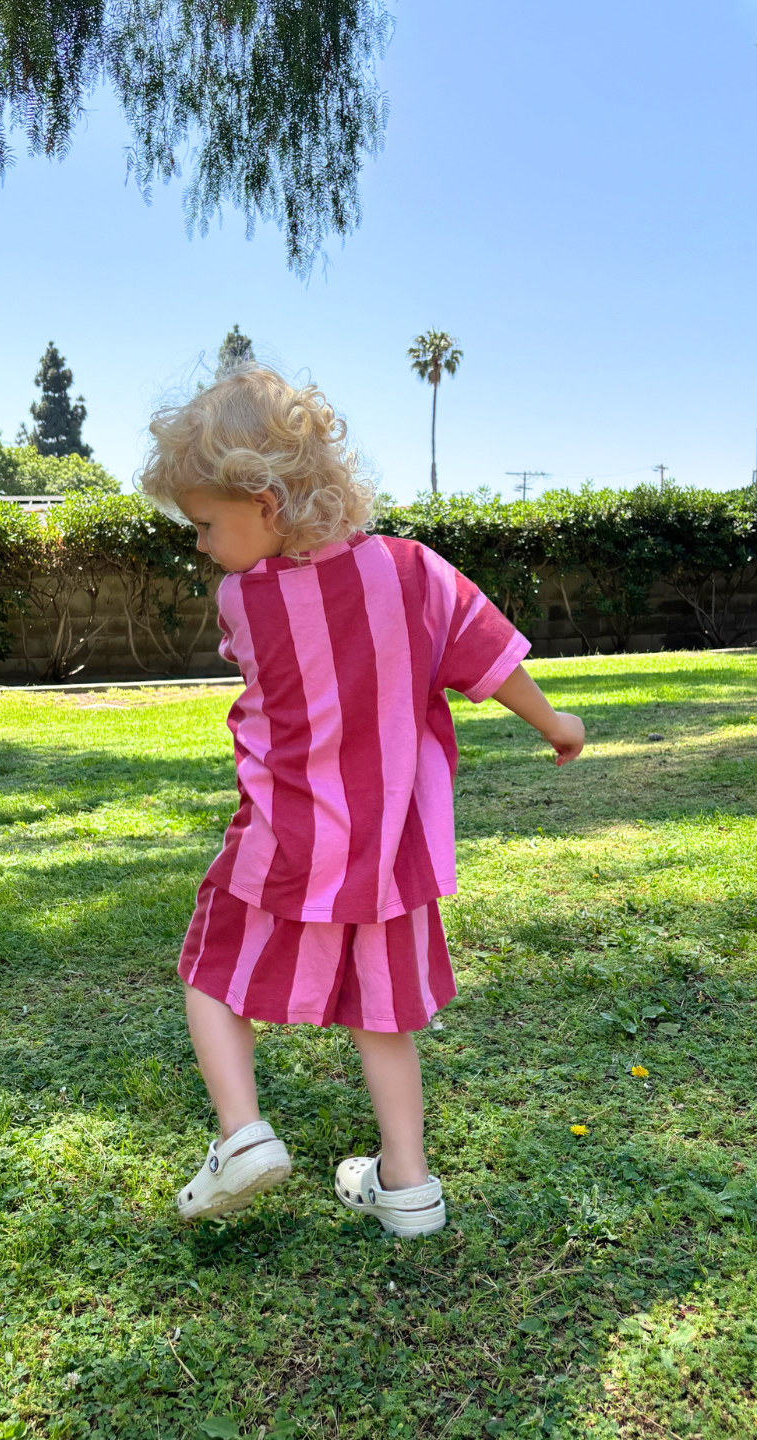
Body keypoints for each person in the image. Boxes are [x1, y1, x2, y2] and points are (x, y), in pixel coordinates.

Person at [140, 365, 585, 1237]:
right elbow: (491, 662)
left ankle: (242, 1134)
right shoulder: (415, 573)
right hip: (389, 853)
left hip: (286, 842)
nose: (199, 546)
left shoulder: (243, 599)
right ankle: (409, 1186)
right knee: (383, 1013)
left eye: (203, 525)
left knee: (211, 973)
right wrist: (556, 723)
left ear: (265, 503)